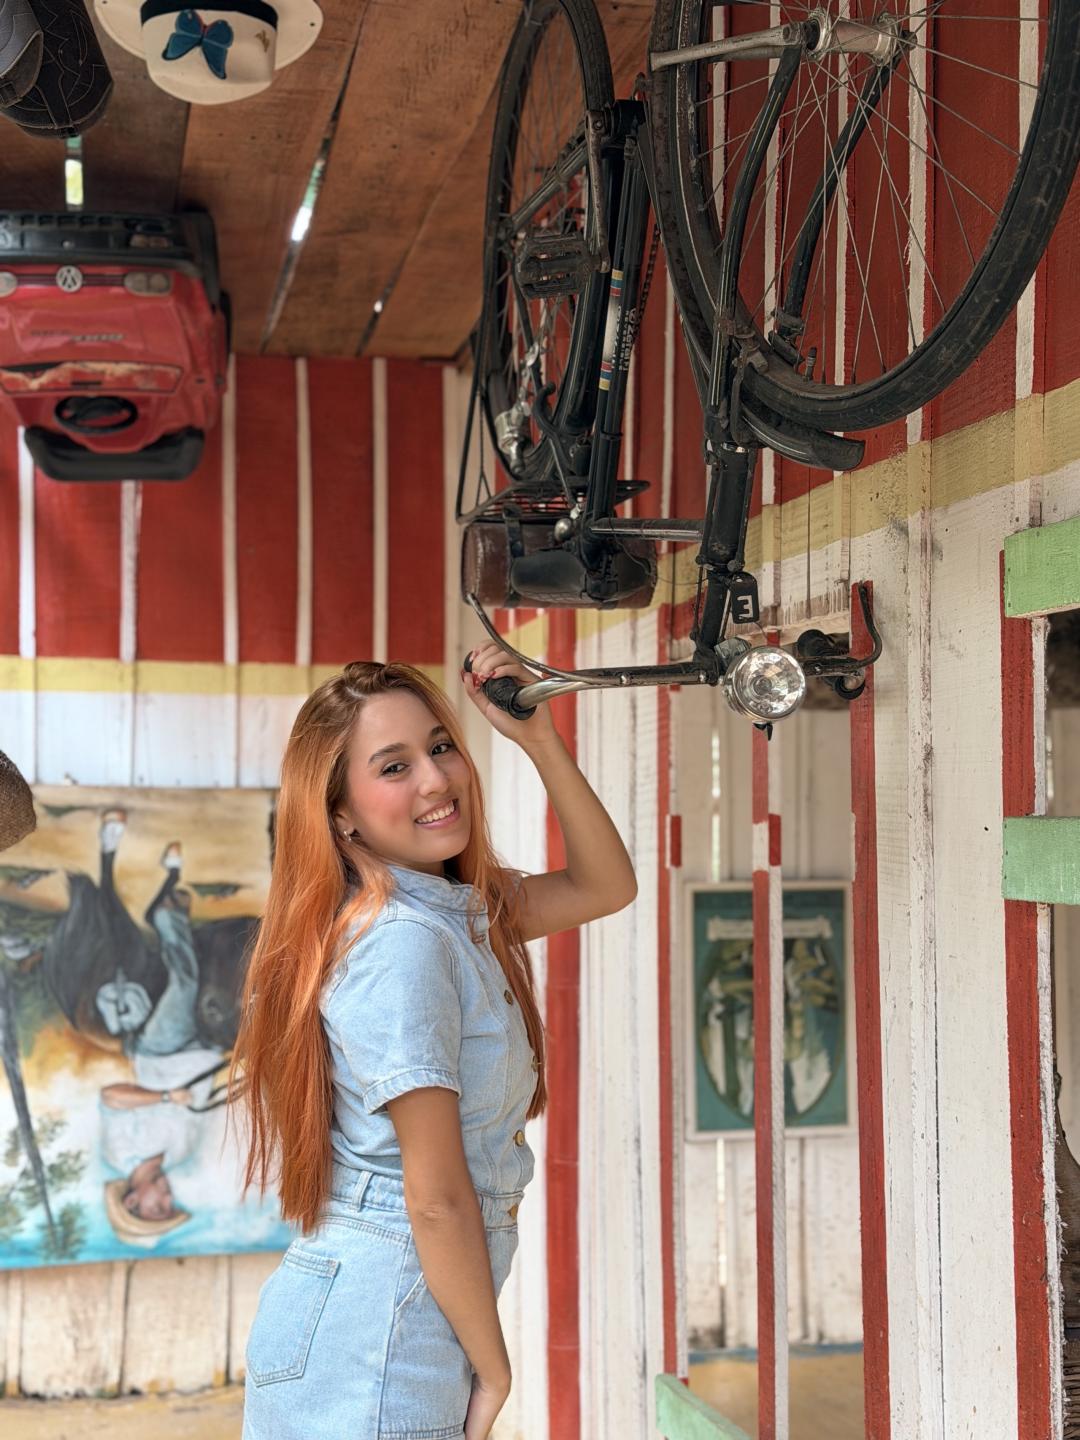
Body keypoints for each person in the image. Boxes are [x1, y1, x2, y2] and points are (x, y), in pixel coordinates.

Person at [234, 646, 636, 1440]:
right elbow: (436, 1195)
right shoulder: (403, 942)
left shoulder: (445, 914)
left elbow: (605, 885)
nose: (435, 780)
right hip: (382, 1334)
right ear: (340, 813)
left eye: (441, 747)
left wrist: (537, 737)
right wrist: (494, 1365)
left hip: (377, 1314)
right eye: (394, 766)